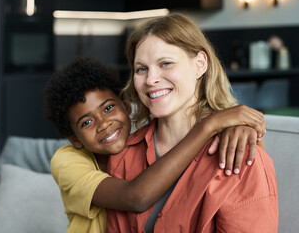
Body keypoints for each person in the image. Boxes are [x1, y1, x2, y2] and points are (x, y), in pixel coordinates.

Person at [45, 56, 266, 233]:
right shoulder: (66, 161)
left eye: (108, 108)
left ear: (125, 105)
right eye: (87, 122)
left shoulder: (145, 139)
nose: (104, 124)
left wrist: (236, 127)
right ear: (73, 138)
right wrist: (209, 126)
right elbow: (136, 197)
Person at [106, 13, 278, 232]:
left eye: (166, 63)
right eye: (141, 69)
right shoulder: (123, 155)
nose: (150, 80)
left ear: (199, 64)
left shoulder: (239, 152)